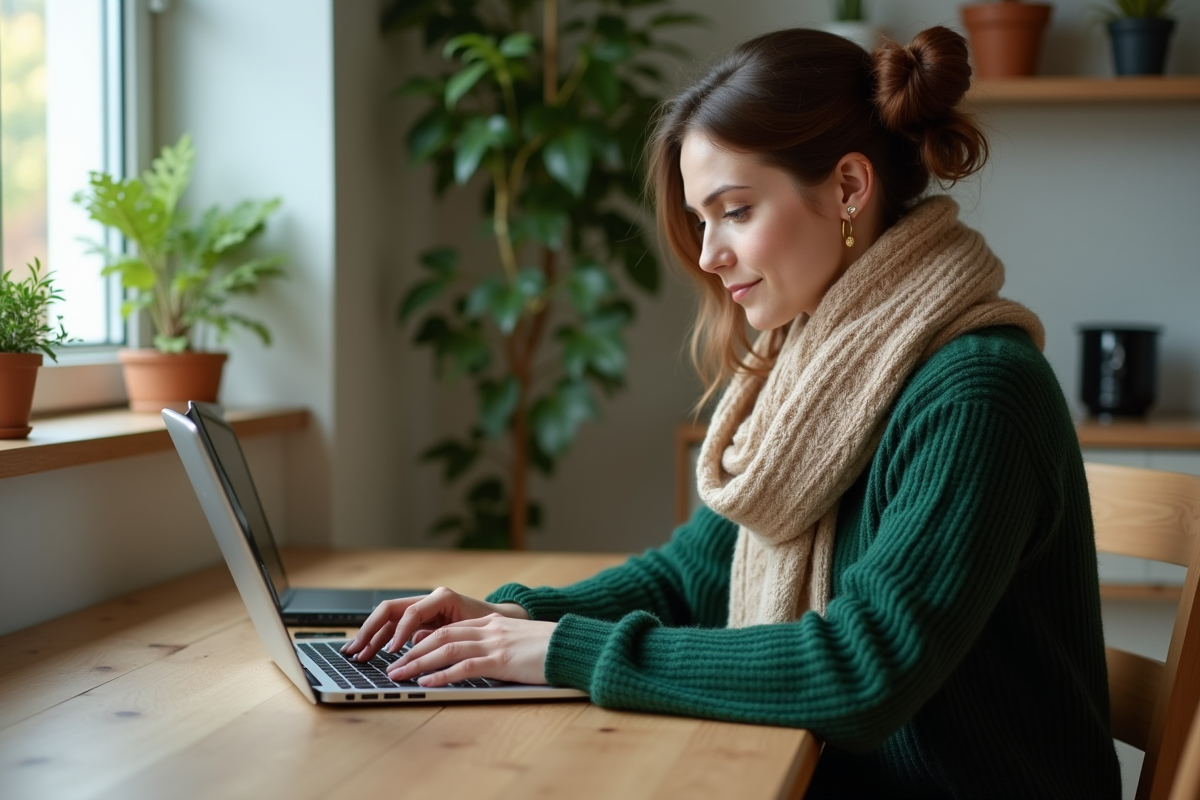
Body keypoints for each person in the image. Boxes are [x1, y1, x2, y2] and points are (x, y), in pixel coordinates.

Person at [344, 25, 1122, 799]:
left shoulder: (978, 393)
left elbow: (863, 670)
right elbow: (693, 576)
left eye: (735, 211)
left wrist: (558, 650)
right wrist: (509, 618)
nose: (709, 254)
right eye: (701, 219)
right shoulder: (811, 371)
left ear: (849, 188)